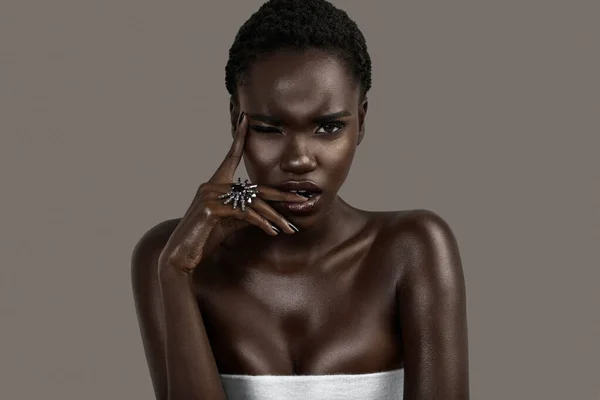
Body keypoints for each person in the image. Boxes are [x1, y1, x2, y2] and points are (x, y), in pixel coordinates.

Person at [131, 0, 469, 399]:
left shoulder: (412, 248)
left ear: (361, 120)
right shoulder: (169, 255)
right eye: (269, 128)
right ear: (235, 120)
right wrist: (176, 274)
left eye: (328, 127)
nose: (298, 159)